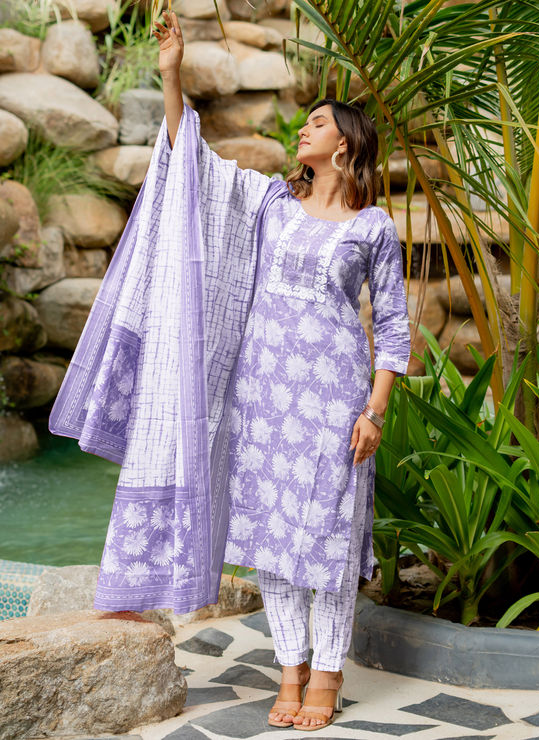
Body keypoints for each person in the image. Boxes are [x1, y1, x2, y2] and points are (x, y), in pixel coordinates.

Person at [49, 8, 411, 735]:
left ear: (345, 144)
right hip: (262, 396)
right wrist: (173, 73)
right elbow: (191, 163)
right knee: (276, 539)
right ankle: (290, 669)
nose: (303, 130)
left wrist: (373, 411)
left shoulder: (372, 227)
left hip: (332, 396)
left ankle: (328, 670)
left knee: (330, 534)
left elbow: (395, 330)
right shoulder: (271, 204)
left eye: (316, 124)